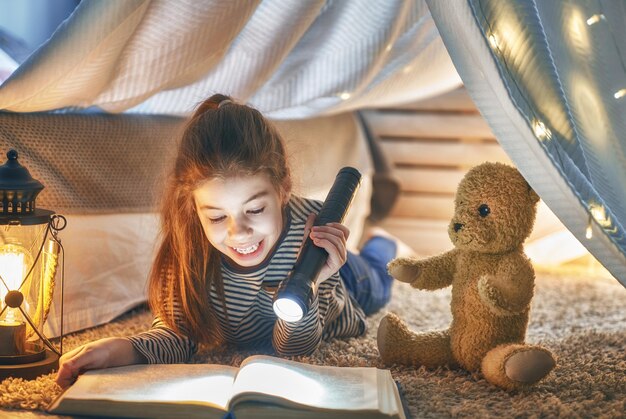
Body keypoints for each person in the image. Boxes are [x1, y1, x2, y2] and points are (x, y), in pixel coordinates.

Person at [56, 94, 402, 389]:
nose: (238, 232)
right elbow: (180, 334)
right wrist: (122, 348)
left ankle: (383, 239)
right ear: (194, 207)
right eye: (217, 216)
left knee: (379, 272)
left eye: (254, 209)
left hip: (345, 279)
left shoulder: (311, 238)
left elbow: (296, 346)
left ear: (283, 188)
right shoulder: (192, 245)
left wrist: (312, 281)